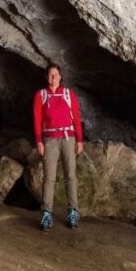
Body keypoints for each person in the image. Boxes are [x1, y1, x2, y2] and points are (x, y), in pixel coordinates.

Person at [33, 63, 84, 230]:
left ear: (60, 76)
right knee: (49, 177)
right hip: (50, 140)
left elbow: (76, 118)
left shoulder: (69, 94)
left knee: (70, 175)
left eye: (55, 75)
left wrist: (79, 140)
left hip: (68, 138)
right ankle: (47, 213)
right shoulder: (41, 95)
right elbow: (37, 120)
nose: (52, 78)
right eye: (49, 75)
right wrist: (39, 141)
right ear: (46, 77)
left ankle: (73, 211)